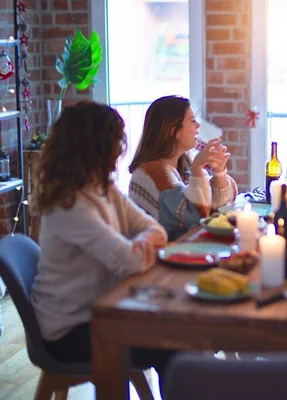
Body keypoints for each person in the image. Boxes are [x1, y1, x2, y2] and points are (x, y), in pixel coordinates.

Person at [30, 101, 173, 391]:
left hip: (103, 312)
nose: (119, 150)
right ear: (95, 147)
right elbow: (127, 261)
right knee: (172, 341)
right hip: (70, 330)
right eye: (115, 142)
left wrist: (142, 242)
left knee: (177, 335)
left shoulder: (102, 188)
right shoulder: (69, 204)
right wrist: (140, 248)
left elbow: (154, 229)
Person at [129, 95, 237, 240]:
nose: (198, 126)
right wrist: (198, 168)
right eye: (192, 121)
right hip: (160, 256)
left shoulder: (184, 163)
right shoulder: (151, 173)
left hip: (185, 247)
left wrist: (219, 172)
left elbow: (219, 205)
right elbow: (196, 215)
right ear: (174, 132)